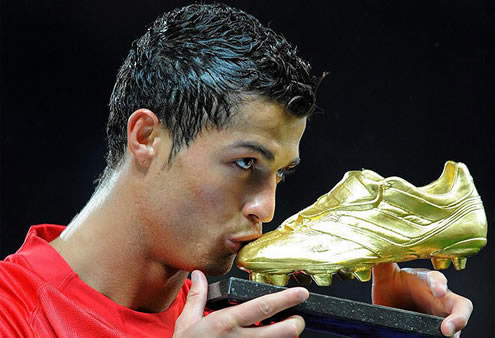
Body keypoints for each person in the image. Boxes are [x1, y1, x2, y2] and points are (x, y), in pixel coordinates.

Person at [0, 3, 472, 337]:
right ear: (146, 138)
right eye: (246, 164)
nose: (266, 209)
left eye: (280, 174)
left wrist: (392, 333)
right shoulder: (12, 311)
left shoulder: (254, 321)